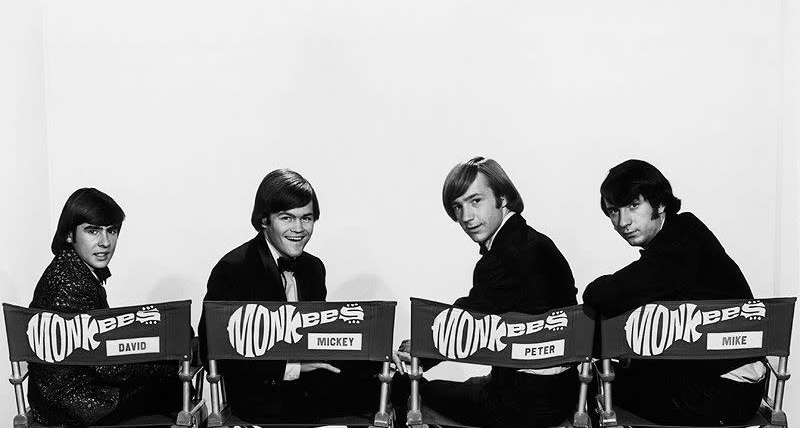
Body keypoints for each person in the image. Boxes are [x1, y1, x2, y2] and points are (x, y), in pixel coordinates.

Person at [395, 157, 579, 428]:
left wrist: (417, 354)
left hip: (521, 404)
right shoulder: (536, 241)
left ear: (502, 198)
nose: (466, 217)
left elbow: (464, 322)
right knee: (466, 384)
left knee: (407, 391)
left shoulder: (504, 257)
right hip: (563, 391)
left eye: (475, 201)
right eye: (458, 206)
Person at [583, 159, 765, 425]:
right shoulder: (684, 235)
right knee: (611, 363)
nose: (623, 221)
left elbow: (599, 295)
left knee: (596, 384)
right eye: (613, 211)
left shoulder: (678, 246)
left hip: (718, 392)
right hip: (715, 381)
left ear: (659, 203)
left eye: (633, 205)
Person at [199, 168, 380, 422]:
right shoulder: (234, 268)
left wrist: (378, 353)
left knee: (392, 381)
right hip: (260, 396)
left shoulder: (314, 268)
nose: (299, 228)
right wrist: (293, 368)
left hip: (310, 385)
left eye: (306, 218)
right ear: (265, 220)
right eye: (287, 218)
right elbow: (211, 350)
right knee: (384, 392)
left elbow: (320, 335)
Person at [28, 188, 179, 427]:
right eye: (92, 231)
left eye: (112, 231)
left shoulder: (67, 268)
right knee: (177, 384)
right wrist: (164, 364)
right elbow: (109, 367)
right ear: (69, 234)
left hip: (58, 398)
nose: (105, 242)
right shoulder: (73, 282)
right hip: (78, 404)